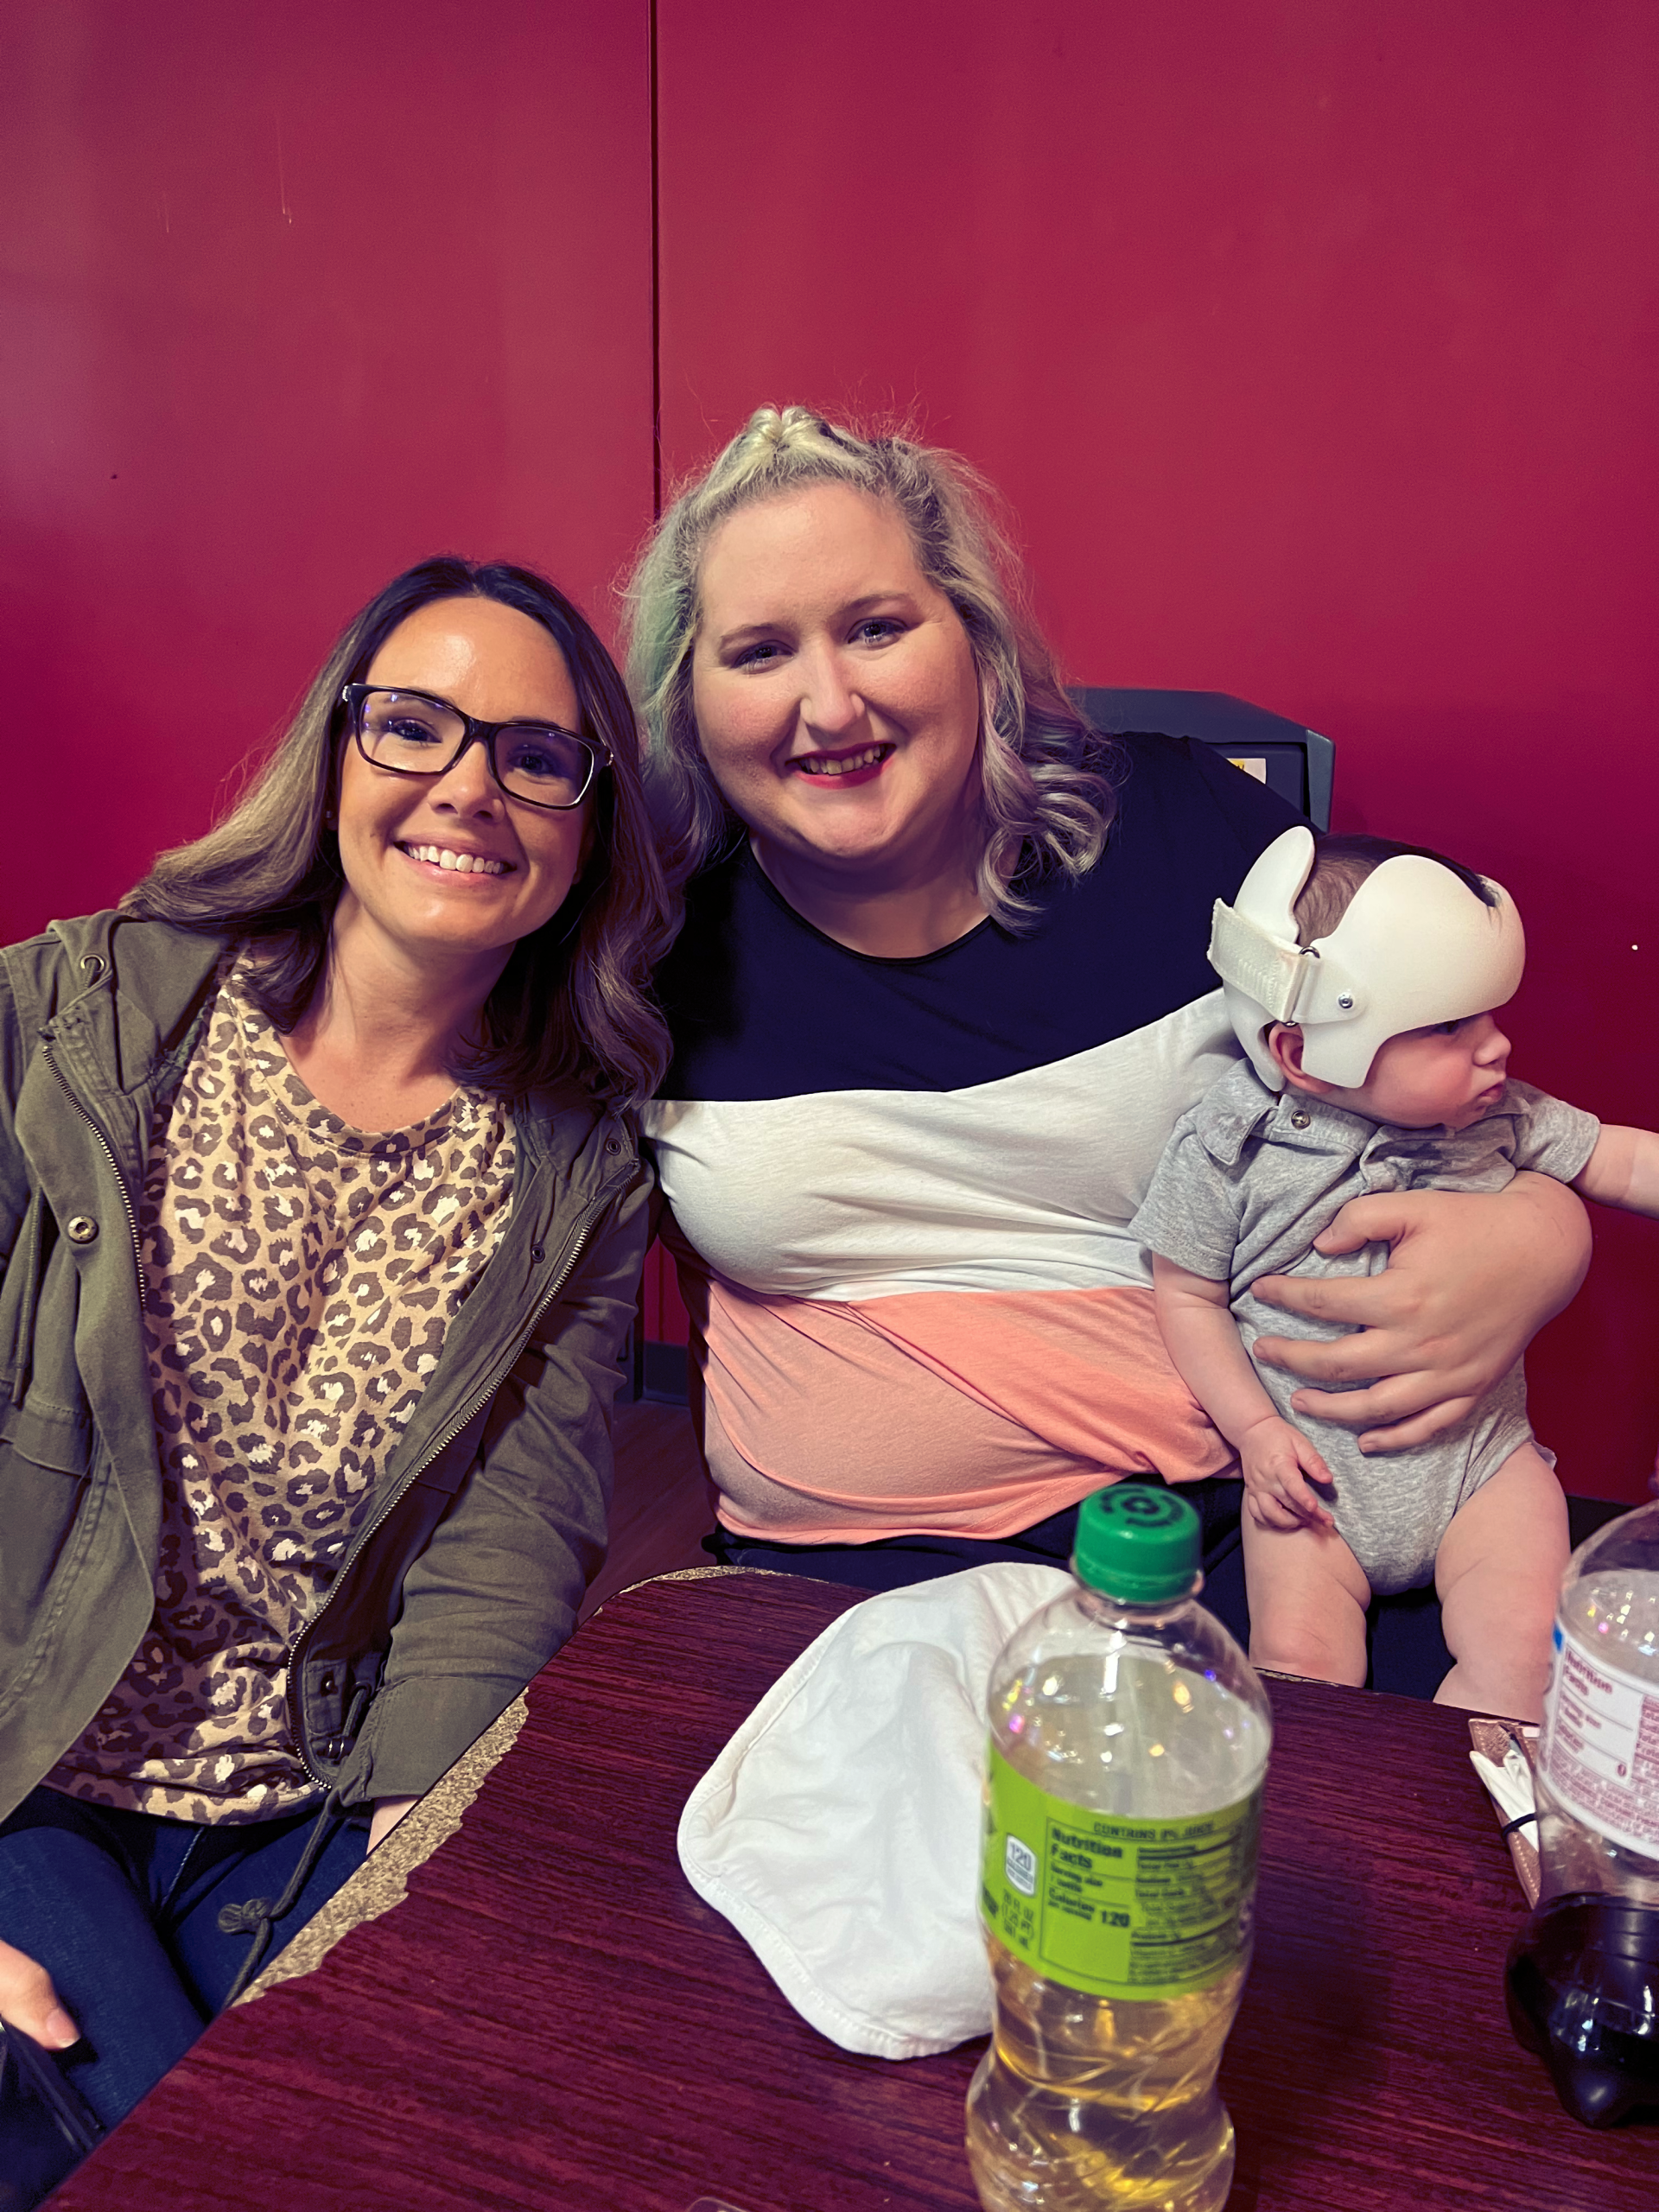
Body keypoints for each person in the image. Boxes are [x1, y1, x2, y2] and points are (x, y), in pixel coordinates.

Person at [626, 404, 1592, 1641]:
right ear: (685, 700)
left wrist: (1541, 1233)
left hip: (1258, 1532)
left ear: (971, 640)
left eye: (876, 628)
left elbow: (1447, 1089)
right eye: (759, 651)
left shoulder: (1193, 833)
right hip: (832, 1589)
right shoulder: (643, 954)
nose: (829, 704)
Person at [0, 556, 675, 2201]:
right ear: (334, 756)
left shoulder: (575, 1167)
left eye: (535, 755)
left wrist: (415, 1847)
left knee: (410, 2137)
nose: (468, 785)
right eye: (414, 726)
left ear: (588, 828)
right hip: (33, 1770)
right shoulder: (66, 1023)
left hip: (309, 1792)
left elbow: (506, 1545)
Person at [1134, 828, 1659, 1720]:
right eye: (1451, 1026)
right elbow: (1187, 1295)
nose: (1496, 1046)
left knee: (1534, 1656)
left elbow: (1617, 1158)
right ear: (1305, 1052)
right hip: (1311, 1486)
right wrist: (1257, 1433)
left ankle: (1470, 1820)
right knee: (1299, 1678)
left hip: (1481, 1470)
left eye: (1490, 1016)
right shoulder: (1230, 1148)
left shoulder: (1501, 1117)